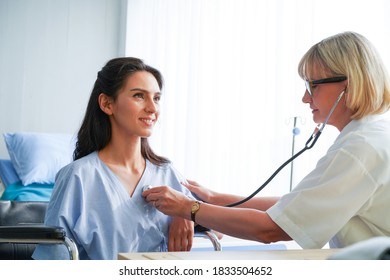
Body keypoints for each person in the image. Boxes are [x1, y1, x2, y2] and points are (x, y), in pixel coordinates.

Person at [143, 31, 390, 249]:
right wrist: (217, 199)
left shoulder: (359, 149)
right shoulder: (371, 137)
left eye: (312, 86)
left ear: (347, 87)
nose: (305, 98)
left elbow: (272, 229)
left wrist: (189, 208)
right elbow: (296, 206)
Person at [33, 57, 194, 260]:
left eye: (157, 98)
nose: (153, 109)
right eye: (139, 96)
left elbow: (218, 230)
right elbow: (53, 259)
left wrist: (187, 212)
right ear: (107, 104)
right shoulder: (78, 177)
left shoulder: (167, 173)